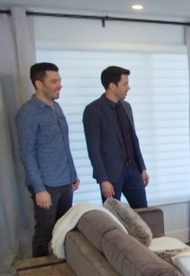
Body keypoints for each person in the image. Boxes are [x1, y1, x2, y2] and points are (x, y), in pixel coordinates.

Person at [16, 62, 80, 257]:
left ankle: (62, 273)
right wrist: (39, 189)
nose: (59, 85)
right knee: (44, 234)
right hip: (47, 185)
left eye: (59, 80)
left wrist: (73, 173)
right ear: (39, 84)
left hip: (65, 181)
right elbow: (27, 153)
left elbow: (62, 144)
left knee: (63, 231)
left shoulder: (57, 108)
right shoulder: (28, 113)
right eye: (54, 81)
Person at [83, 66, 149, 208]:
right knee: (114, 216)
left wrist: (142, 168)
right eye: (125, 84)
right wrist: (103, 179)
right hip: (111, 174)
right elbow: (93, 149)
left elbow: (133, 139)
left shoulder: (126, 107)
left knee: (143, 211)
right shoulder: (93, 110)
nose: (128, 87)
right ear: (112, 86)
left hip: (133, 170)